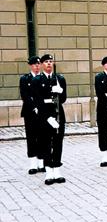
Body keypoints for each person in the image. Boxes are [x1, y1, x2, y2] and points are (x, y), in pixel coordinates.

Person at [32, 54, 67, 185]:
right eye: (46, 61)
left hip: (58, 113)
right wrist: (47, 117)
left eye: (51, 61)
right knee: (45, 142)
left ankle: (57, 170)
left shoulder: (60, 79)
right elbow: (37, 100)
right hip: (44, 115)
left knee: (58, 142)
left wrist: (60, 91)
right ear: (41, 64)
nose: (49, 64)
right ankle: (48, 172)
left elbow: (63, 99)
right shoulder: (37, 80)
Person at [19, 56, 45, 175]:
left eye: (38, 64)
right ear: (30, 65)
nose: (37, 66)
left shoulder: (43, 78)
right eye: (34, 64)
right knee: (31, 138)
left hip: (43, 112)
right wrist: (34, 107)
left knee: (42, 137)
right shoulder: (25, 79)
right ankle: (33, 164)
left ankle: (41, 163)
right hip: (29, 112)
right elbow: (25, 95)